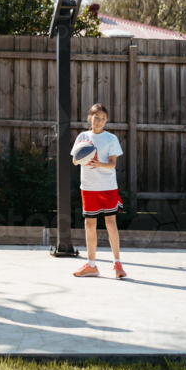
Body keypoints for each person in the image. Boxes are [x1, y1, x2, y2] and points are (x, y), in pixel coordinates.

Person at [71, 103, 127, 279]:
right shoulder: (83, 137)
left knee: (111, 224)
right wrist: (81, 157)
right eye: (97, 117)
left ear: (106, 120)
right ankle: (92, 265)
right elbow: (74, 160)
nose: (100, 121)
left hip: (108, 187)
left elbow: (112, 164)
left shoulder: (111, 139)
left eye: (103, 118)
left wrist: (98, 163)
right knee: (89, 225)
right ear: (90, 118)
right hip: (88, 187)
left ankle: (117, 264)